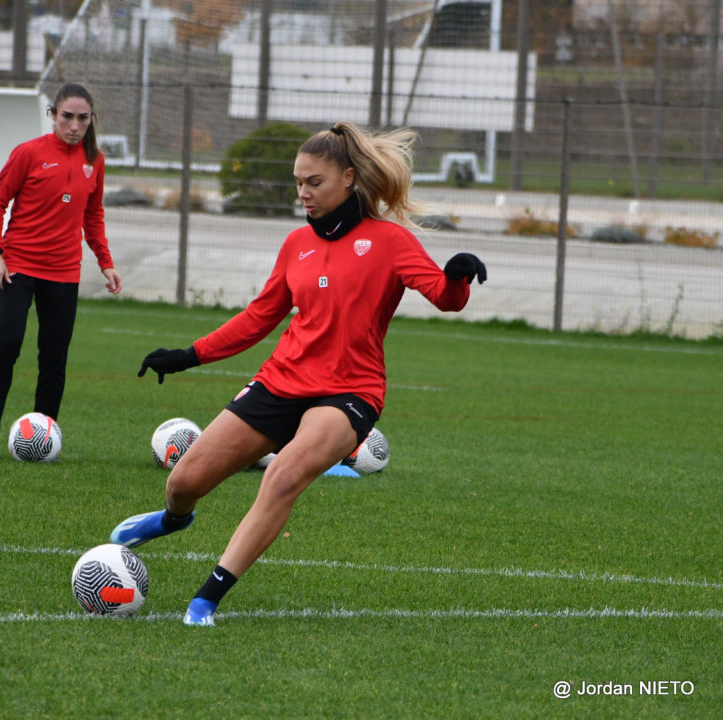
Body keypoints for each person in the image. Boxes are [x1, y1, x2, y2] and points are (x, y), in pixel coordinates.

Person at [109, 121, 487, 626]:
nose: (303, 193)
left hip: (351, 392)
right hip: (280, 382)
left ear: (349, 178)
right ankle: (173, 520)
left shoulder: (390, 242)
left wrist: (458, 275)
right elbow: (257, 319)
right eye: (298, 182)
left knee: (284, 476)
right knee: (183, 482)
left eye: (315, 182)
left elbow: (443, 297)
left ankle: (206, 598)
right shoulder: (295, 246)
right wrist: (187, 355)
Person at [0, 82, 123, 453]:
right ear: (52, 115)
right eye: (67, 116)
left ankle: (43, 436)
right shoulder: (29, 153)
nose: (74, 125)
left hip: (64, 273)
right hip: (17, 266)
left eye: (82, 118)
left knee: (54, 357)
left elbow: (93, 215)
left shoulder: (95, 161)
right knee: (7, 342)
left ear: (91, 119)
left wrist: (106, 263)